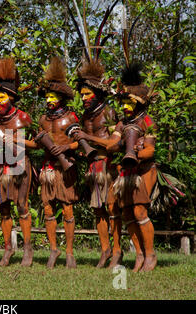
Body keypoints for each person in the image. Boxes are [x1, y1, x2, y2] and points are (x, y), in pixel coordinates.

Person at [72, 58, 123, 268]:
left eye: (87, 94)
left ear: (98, 93)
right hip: (92, 168)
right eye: (82, 94)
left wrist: (88, 138)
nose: (83, 97)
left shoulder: (109, 113)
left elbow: (114, 145)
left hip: (107, 167)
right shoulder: (86, 116)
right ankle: (105, 250)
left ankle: (118, 250)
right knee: (98, 210)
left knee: (112, 208)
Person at [107, 63, 158, 272]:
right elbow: (111, 144)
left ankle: (150, 254)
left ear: (138, 102)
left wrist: (136, 151)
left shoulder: (147, 121)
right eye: (124, 103)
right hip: (126, 172)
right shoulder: (121, 123)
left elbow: (150, 151)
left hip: (144, 171)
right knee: (127, 214)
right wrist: (121, 145)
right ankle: (138, 255)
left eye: (129, 102)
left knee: (139, 212)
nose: (125, 107)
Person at [0, 57, 35, 267]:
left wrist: (15, 139)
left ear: (12, 97)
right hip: (2, 165)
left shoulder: (23, 118)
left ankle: (27, 249)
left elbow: (37, 144)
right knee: (4, 208)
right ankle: (8, 249)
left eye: (2, 97)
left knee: (22, 206)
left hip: (20, 164)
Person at [35, 57, 79, 268]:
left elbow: (79, 143)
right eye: (47, 96)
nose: (49, 100)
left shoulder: (70, 117)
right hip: (47, 168)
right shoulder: (43, 119)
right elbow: (37, 144)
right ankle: (54, 249)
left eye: (53, 96)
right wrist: (18, 141)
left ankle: (70, 252)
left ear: (61, 97)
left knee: (67, 208)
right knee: (48, 209)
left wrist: (66, 147)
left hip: (65, 167)